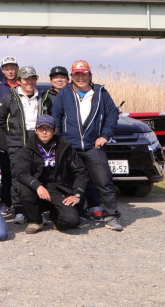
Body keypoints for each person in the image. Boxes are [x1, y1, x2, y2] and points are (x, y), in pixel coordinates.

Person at [51, 60, 123, 232]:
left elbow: (112, 114)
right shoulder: (64, 93)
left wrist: (105, 135)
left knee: (104, 181)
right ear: (72, 76)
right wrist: (60, 142)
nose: (80, 77)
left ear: (89, 75)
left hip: (93, 147)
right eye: (77, 74)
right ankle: (79, 214)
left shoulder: (100, 92)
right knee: (72, 183)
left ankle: (111, 216)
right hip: (71, 147)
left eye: (83, 74)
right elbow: (56, 117)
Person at [15, 115, 88, 233]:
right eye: (41, 129)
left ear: (54, 131)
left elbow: (81, 172)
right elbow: (21, 173)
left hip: (58, 189)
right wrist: (37, 186)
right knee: (23, 188)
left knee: (71, 221)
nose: (44, 132)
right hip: (37, 190)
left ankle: (55, 216)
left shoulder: (65, 148)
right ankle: (35, 221)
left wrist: (77, 194)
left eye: (48, 129)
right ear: (36, 130)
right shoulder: (27, 149)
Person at [0, 65, 43, 224]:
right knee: (17, 176)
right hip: (16, 142)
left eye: (32, 78)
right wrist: (12, 136)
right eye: (25, 79)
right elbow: (1, 120)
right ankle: (19, 209)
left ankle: (38, 209)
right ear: (19, 81)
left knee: (38, 174)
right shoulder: (9, 98)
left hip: (38, 141)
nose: (29, 82)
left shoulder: (42, 98)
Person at [0, 56, 19, 124]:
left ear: (17, 68)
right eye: (6, 69)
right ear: (2, 70)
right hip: (3, 128)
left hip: (21, 128)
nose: (10, 72)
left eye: (12, 68)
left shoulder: (23, 86)